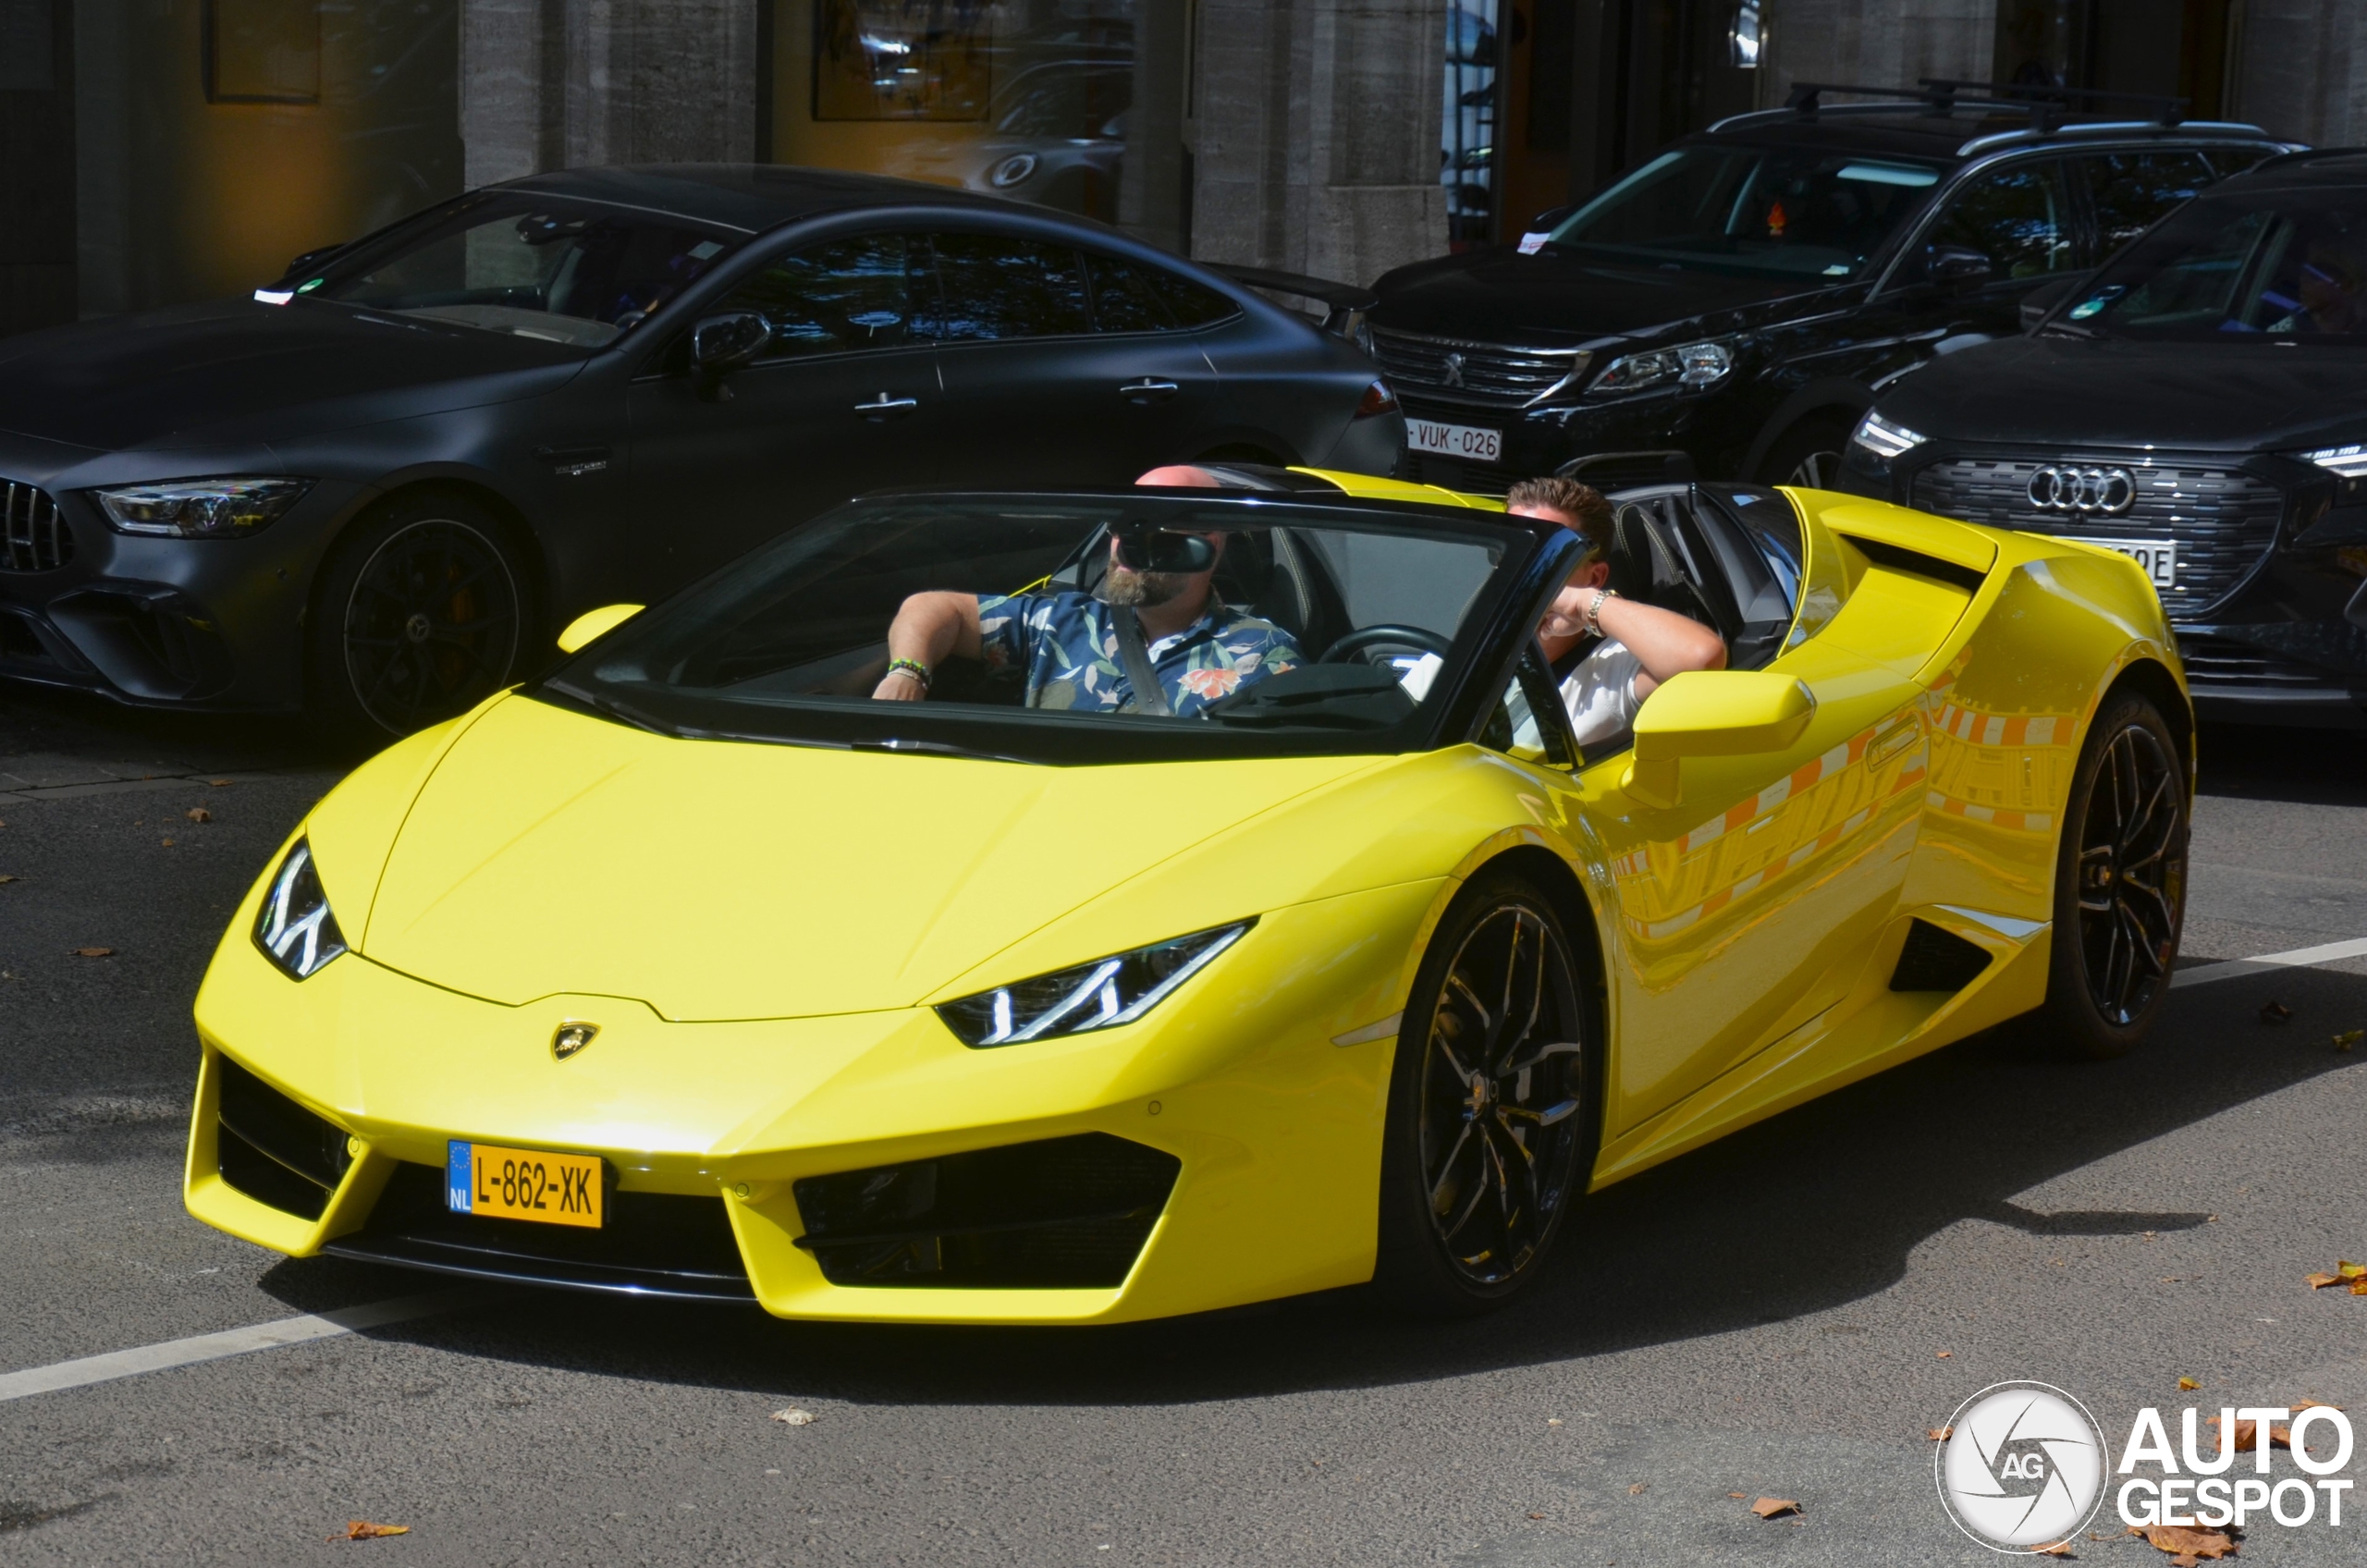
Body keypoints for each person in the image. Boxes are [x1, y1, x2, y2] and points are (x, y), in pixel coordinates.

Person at [870, 472, 1303, 715]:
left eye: (1151, 529)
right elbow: (931, 607)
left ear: (1204, 547)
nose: (1122, 546)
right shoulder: (1061, 620)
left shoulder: (1262, 654)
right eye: (1121, 526)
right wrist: (908, 672)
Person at [1504, 475, 1727, 749]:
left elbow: (1702, 658)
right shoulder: (1461, 634)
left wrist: (1584, 604)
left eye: (1549, 558)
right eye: (1513, 548)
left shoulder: (1611, 667)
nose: (1522, 570)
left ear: (1595, 578)